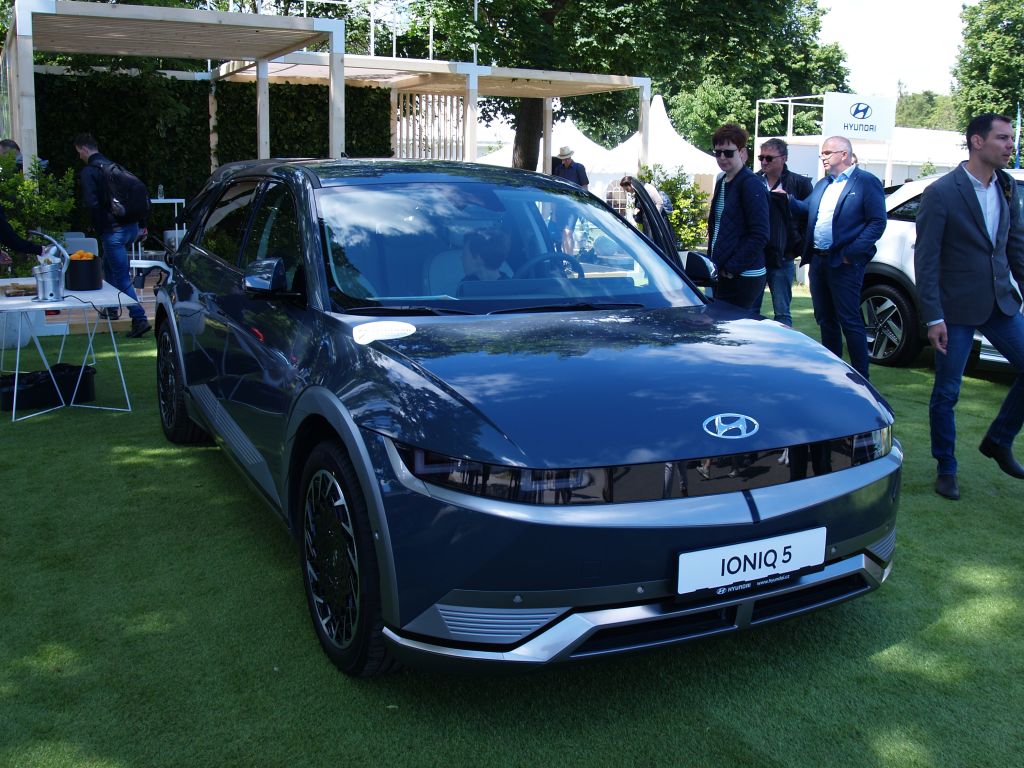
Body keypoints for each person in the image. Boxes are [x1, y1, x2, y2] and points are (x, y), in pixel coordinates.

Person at [914, 112, 1024, 501]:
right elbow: (926, 260)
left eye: (1011, 138)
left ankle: (998, 440)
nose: (1011, 145)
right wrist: (933, 317)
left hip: (1000, 304)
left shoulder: (1006, 186)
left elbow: (1013, 246)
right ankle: (946, 467)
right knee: (947, 392)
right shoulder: (942, 192)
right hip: (954, 311)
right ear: (977, 142)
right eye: (1003, 138)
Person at [791, 135, 885, 379]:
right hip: (819, 260)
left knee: (849, 320)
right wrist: (785, 199)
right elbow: (805, 209)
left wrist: (850, 254)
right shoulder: (824, 183)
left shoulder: (866, 182)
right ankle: (833, 373)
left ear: (844, 154)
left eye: (827, 153)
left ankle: (861, 378)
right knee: (825, 318)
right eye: (822, 153)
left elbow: (877, 222)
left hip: (845, 263)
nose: (822, 157)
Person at [73, 133, 151, 338]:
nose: (79, 156)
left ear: (83, 149)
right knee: (108, 266)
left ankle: (139, 318)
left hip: (113, 231)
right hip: (131, 227)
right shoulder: (115, 167)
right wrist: (142, 226)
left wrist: (101, 226)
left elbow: (92, 203)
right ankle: (111, 308)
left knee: (121, 276)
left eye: (79, 152)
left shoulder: (90, 171)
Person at [706, 123, 769, 310]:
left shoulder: (751, 184)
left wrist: (732, 268)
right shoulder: (722, 181)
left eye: (728, 153)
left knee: (731, 324)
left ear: (741, 152)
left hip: (744, 275)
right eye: (718, 152)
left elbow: (760, 234)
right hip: (724, 271)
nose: (722, 157)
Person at [756, 138, 813, 326]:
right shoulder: (754, 181)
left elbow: (809, 215)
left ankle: (784, 344)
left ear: (784, 158)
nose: (764, 162)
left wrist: (796, 243)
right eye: (761, 158)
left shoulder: (799, 183)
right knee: (750, 311)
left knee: (782, 313)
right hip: (756, 255)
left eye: (769, 158)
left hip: (783, 256)